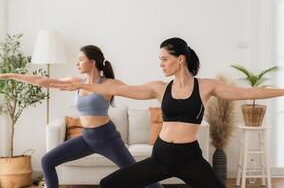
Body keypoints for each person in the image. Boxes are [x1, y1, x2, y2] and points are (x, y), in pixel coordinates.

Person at [50, 37, 284, 188]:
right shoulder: (160, 88)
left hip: (190, 158)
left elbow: (248, 92)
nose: (161, 64)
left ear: (180, 59)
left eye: (164, 59)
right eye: (159, 60)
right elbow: (118, 88)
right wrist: (82, 85)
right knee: (109, 184)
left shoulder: (205, 87)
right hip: (161, 156)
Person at [0, 45, 163, 188]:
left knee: (139, 175)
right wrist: (11, 76)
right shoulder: (77, 82)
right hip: (86, 138)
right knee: (47, 161)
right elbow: (43, 81)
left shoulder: (109, 84)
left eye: (80, 59)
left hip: (107, 138)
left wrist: (163, 96)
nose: (77, 63)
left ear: (92, 62)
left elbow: (137, 92)